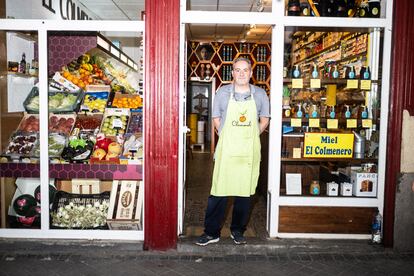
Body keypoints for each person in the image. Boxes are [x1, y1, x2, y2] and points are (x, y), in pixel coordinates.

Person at [196, 57, 270, 246]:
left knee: (244, 194)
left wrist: (252, 134)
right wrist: (228, 135)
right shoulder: (222, 93)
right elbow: (216, 118)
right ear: (232, 73)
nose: (242, 73)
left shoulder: (260, 94)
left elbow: (264, 119)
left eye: (245, 70)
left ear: (251, 73)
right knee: (218, 192)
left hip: (248, 151)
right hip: (228, 150)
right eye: (238, 70)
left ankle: (238, 231)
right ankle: (211, 232)